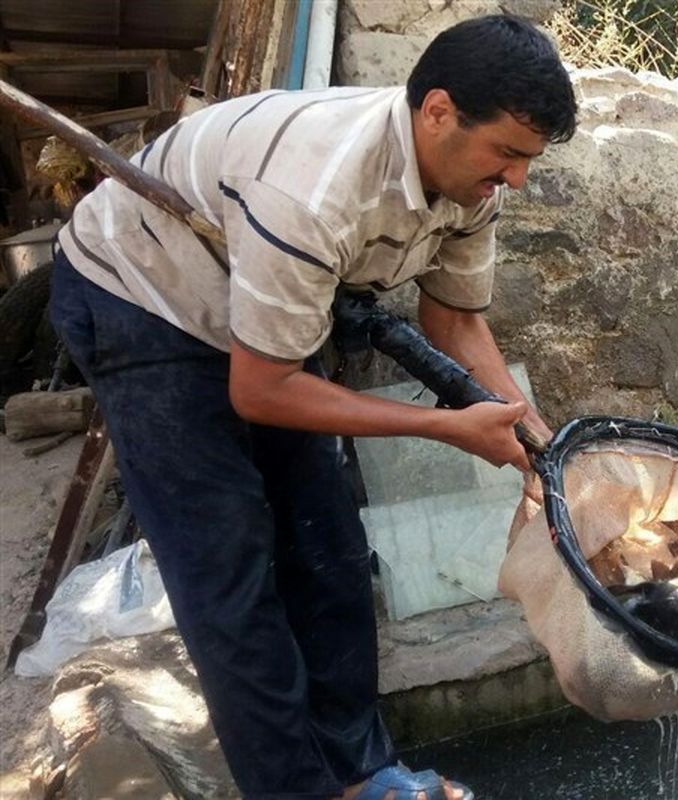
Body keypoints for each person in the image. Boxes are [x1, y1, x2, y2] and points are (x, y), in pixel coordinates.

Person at [49, 14, 576, 800]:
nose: (518, 179)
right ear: (437, 112)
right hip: (140, 296)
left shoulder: (472, 183)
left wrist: (541, 445)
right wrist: (444, 427)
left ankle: (364, 773)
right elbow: (260, 390)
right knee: (228, 567)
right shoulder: (318, 187)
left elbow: (455, 321)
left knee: (327, 548)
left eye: (528, 161)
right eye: (507, 154)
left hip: (250, 307)